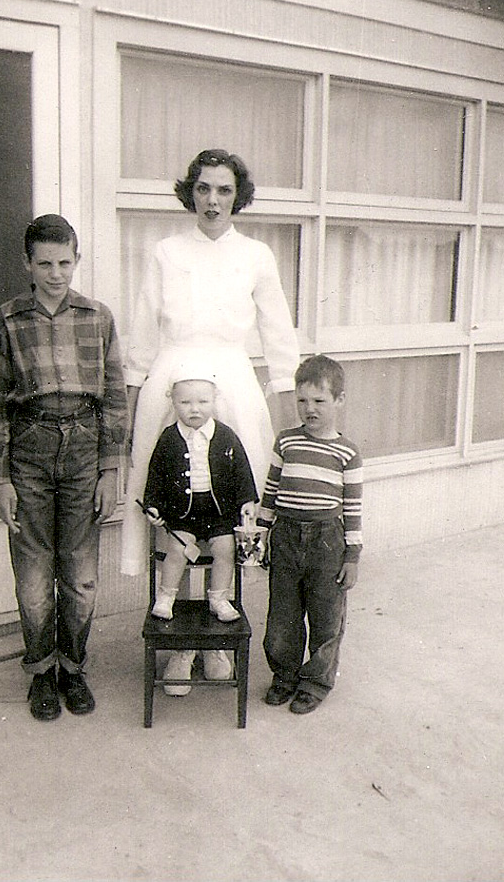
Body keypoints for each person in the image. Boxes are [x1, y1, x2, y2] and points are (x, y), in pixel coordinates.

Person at [122, 148, 300, 693]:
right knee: (176, 519)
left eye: (223, 190)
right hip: (173, 382)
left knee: (227, 519)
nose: (213, 200)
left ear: (237, 196)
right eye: (203, 188)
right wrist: (134, 416)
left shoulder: (257, 255)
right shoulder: (165, 252)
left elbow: (277, 333)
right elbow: (144, 335)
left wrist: (286, 407)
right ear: (190, 193)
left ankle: (217, 647)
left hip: (233, 386)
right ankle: (180, 651)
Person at [0, 214, 128, 721]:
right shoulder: (6, 320)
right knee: (33, 576)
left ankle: (73, 667)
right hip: (29, 447)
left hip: (86, 446)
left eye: (65, 262)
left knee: (81, 574)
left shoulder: (98, 317)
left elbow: (113, 396)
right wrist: (1, 476)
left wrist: (112, 469)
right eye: (44, 263)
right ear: (27, 263)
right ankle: (42, 672)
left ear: (77, 260)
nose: (55, 273)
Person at [257, 355, 362, 715]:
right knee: (283, 615)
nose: (309, 409)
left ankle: (315, 682)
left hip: (327, 541)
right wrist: (261, 533)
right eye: (302, 401)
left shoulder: (347, 453)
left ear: (339, 401)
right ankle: (284, 676)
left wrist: (352, 556)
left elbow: (352, 509)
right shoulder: (286, 442)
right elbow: (270, 492)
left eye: (319, 401)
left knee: (325, 617)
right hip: (285, 535)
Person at [143, 362, 258, 625]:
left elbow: (241, 471)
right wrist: (153, 506)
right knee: (178, 548)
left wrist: (247, 500)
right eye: (185, 402)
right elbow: (156, 475)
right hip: (182, 513)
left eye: (203, 401)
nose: (194, 409)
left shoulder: (226, 435)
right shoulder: (169, 438)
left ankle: (218, 597)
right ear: (172, 401)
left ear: (214, 400)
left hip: (219, 512)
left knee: (225, 548)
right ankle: (166, 596)